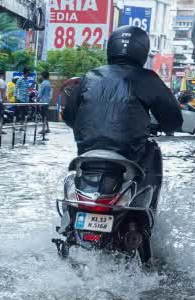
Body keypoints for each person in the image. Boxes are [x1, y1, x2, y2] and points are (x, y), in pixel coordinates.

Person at [62, 25, 182, 207]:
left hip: (87, 154)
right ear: (142, 51)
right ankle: (146, 209)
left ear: (111, 47)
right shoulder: (148, 78)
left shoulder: (90, 76)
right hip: (129, 155)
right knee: (152, 149)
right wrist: (162, 127)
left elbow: (70, 117)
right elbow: (173, 121)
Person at [38, 69, 53, 135]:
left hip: (43, 101)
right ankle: (47, 128)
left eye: (41, 75)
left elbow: (40, 93)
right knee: (45, 115)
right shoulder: (48, 83)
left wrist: (37, 100)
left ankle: (43, 129)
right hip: (47, 101)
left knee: (43, 115)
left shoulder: (43, 83)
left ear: (43, 76)